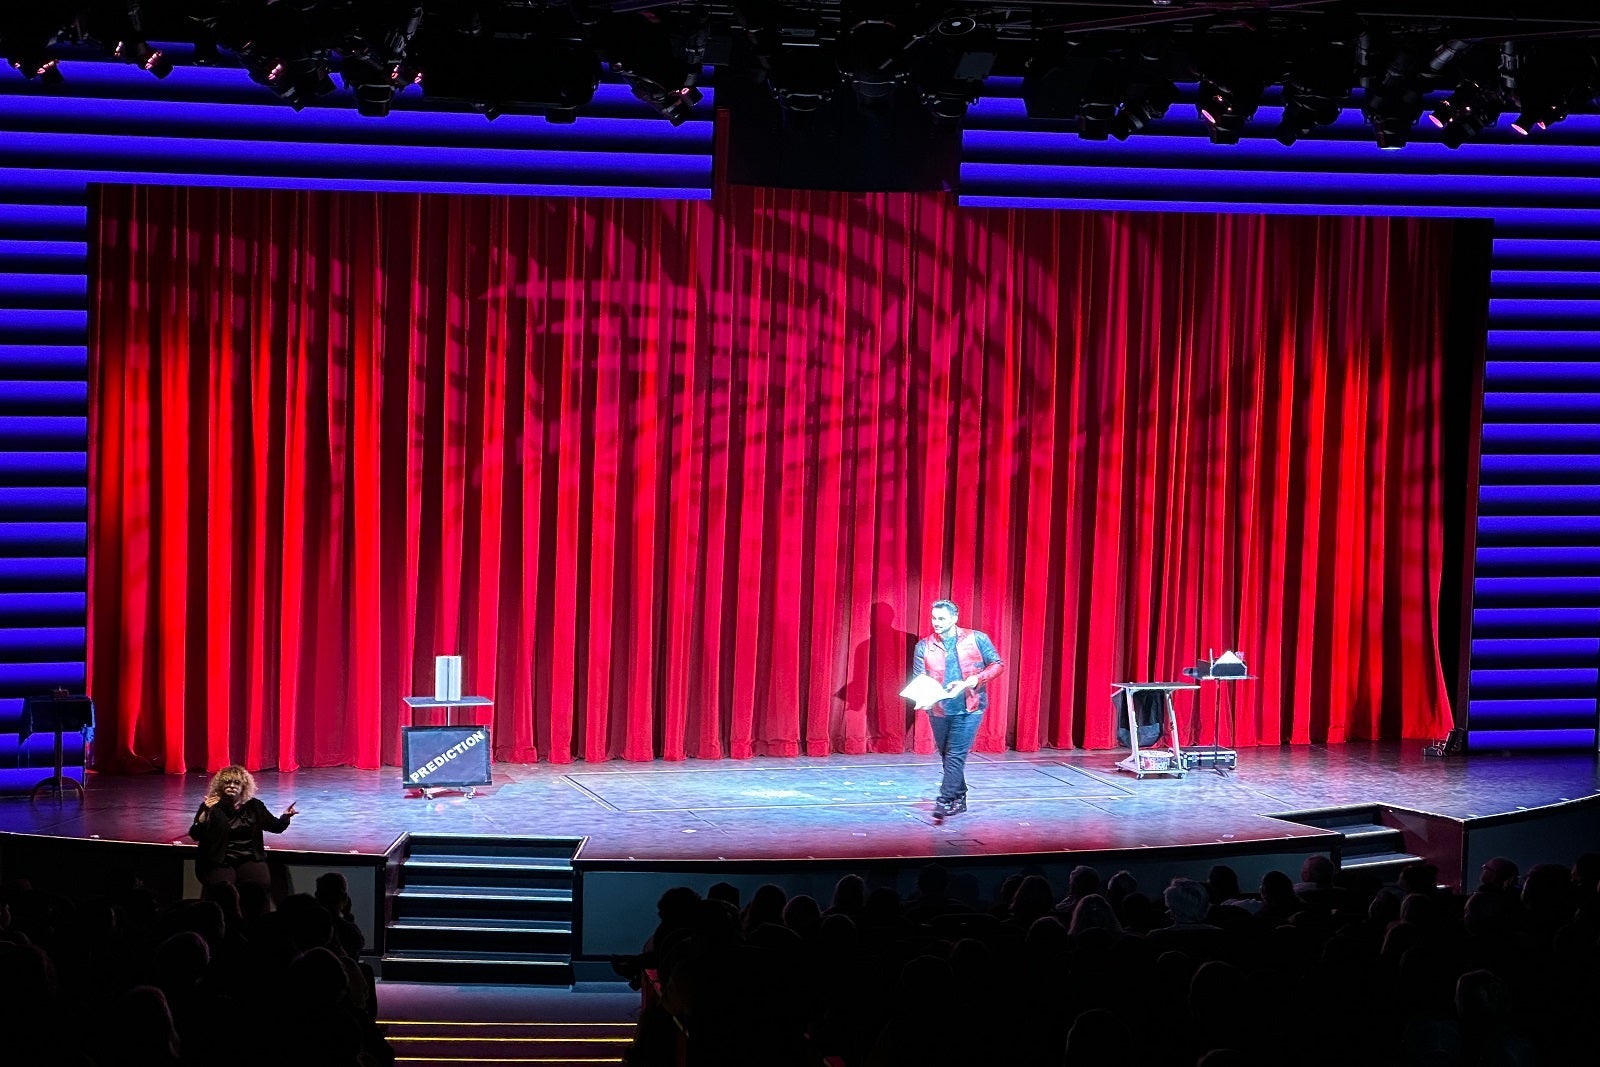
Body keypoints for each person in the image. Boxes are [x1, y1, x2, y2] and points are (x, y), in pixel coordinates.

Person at [910, 599, 1003, 819]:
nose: (936, 622)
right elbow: (919, 678)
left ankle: (944, 799)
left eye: (941, 618)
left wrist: (974, 680)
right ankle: (960, 796)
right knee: (947, 755)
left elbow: (997, 664)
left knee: (955, 755)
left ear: (954, 618)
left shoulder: (976, 638)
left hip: (969, 707)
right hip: (939, 709)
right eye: (934, 618)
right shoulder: (924, 645)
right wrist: (923, 698)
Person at [187, 765, 298, 889]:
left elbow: (275, 827)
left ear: (243, 786)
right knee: (224, 889)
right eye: (227, 782)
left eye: (237, 783)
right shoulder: (211, 806)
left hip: (248, 857)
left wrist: (285, 816)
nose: (232, 786)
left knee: (259, 886)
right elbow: (195, 834)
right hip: (218, 861)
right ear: (220, 785)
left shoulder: (254, 806)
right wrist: (205, 814)